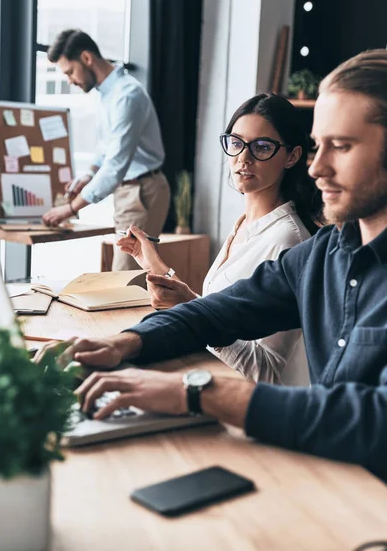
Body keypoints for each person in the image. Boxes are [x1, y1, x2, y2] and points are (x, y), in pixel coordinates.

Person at [40, 49, 387, 481]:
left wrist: (197, 391)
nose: (318, 168)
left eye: (343, 146)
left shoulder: (296, 239)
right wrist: (125, 344)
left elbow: (374, 420)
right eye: (320, 146)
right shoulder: (324, 253)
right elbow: (218, 311)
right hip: (332, 479)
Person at [116, 94, 322, 384]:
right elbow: (218, 309)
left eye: (262, 147)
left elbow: (266, 371)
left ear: (292, 156)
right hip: (215, 383)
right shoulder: (245, 224)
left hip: (253, 412)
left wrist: (192, 311)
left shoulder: (288, 239)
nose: (243, 158)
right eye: (236, 143)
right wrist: (155, 266)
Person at [42, 29, 170, 271]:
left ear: (87, 58)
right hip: (130, 191)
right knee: (124, 279)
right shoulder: (107, 93)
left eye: (69, 72)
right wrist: (89, 174)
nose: (69, 80)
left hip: (141, 191)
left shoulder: (127, 96)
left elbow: (115, 166)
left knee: (125, 280)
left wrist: (69, 209)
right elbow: (106, 146)